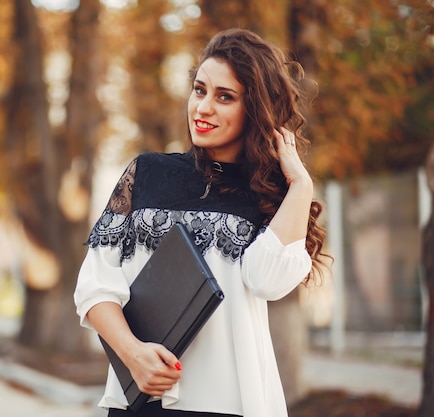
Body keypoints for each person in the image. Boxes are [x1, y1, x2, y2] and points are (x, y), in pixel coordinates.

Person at [74, 28, 327, 417]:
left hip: (229, 403)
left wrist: (300, 185)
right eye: (199, 90)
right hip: (142, 397)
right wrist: (133, 354)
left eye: (224, 97)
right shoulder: (146, 173)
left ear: (255, 109)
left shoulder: (269, 195)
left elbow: (268, 281)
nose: (203, 107)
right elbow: (95, 282)